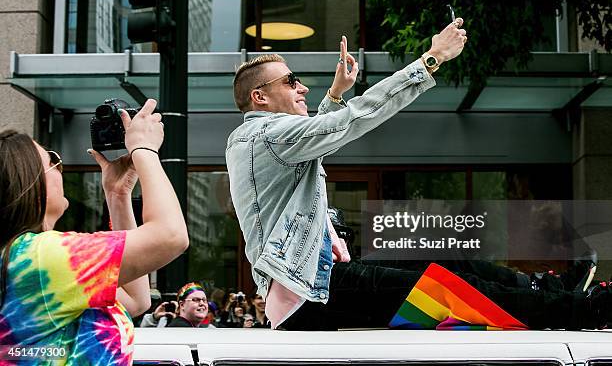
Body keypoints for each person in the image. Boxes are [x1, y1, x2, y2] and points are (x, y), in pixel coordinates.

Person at [226, 21, 612, 331]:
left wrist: (336, 94)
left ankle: (549, 288)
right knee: (443, 289)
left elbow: (317, 138)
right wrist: (430, 59)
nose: (302, 87)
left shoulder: (266, 138)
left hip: (321, 279)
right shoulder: (265, 136)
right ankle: (581, 310)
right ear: (260, 97)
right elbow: (354, 120)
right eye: (291, 81)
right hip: (308, 296)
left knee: (446, 261)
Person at [0, 98, 189, 364]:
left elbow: (136, 299)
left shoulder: (22, 257)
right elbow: (170, 235)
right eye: (52, 160)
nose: (60, 169)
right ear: (29, 181)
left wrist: (117, 196)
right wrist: (145, 149)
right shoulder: (42, 255)